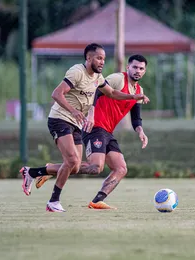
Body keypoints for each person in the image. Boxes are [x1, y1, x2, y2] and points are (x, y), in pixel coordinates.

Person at [20, 44, 148, 212]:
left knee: (116, 168)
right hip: (84, 124)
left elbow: (128, 109)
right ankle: (52, 200)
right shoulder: (110, 77)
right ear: (128, 67)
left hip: (95, 128)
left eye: (141, 68)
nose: (138, 71)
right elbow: (85, 93)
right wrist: (89, 113)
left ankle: (93, 199)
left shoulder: (128, 87)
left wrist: (140, 128)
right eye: (135, 67)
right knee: (80, 163)